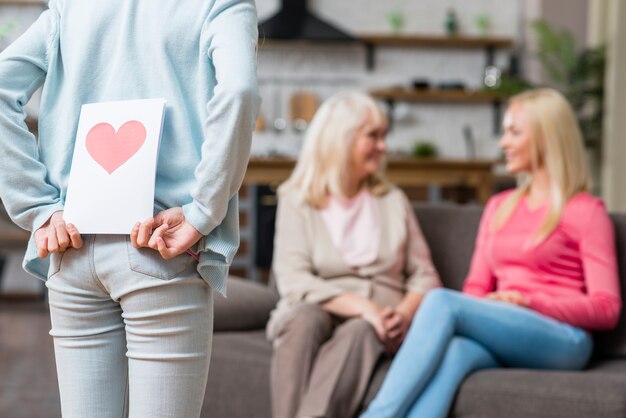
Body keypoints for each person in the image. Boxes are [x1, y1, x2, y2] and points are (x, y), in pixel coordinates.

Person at [0, 1, 260, 417]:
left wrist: (40, 209)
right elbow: (239, 90)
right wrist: (201, 214)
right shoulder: (219, 5)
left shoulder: (71, 8)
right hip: (160, 246)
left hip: (72, 248)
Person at [360, 88, 623, 418]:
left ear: (546, 138)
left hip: (563, 339)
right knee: (456, 352)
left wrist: (528, 302)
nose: (503, 143)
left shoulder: (585, 211)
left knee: (441, 301)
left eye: (514, 132)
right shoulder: (499, 207)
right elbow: (475, 290)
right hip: (506, 328)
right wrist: (492, 310)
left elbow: (607, 308)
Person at [267, 91, 441, 418]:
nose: (383, 146)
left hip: (377, 322)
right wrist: (365, 308)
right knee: (304, 318)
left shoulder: (392, 200)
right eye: (373, 136)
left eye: (384, 136)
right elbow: (293, 279)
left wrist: (400, 315)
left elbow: (425, 275)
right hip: (316, 308)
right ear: (340, 139)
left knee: (361, 330)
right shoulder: (296, 199)